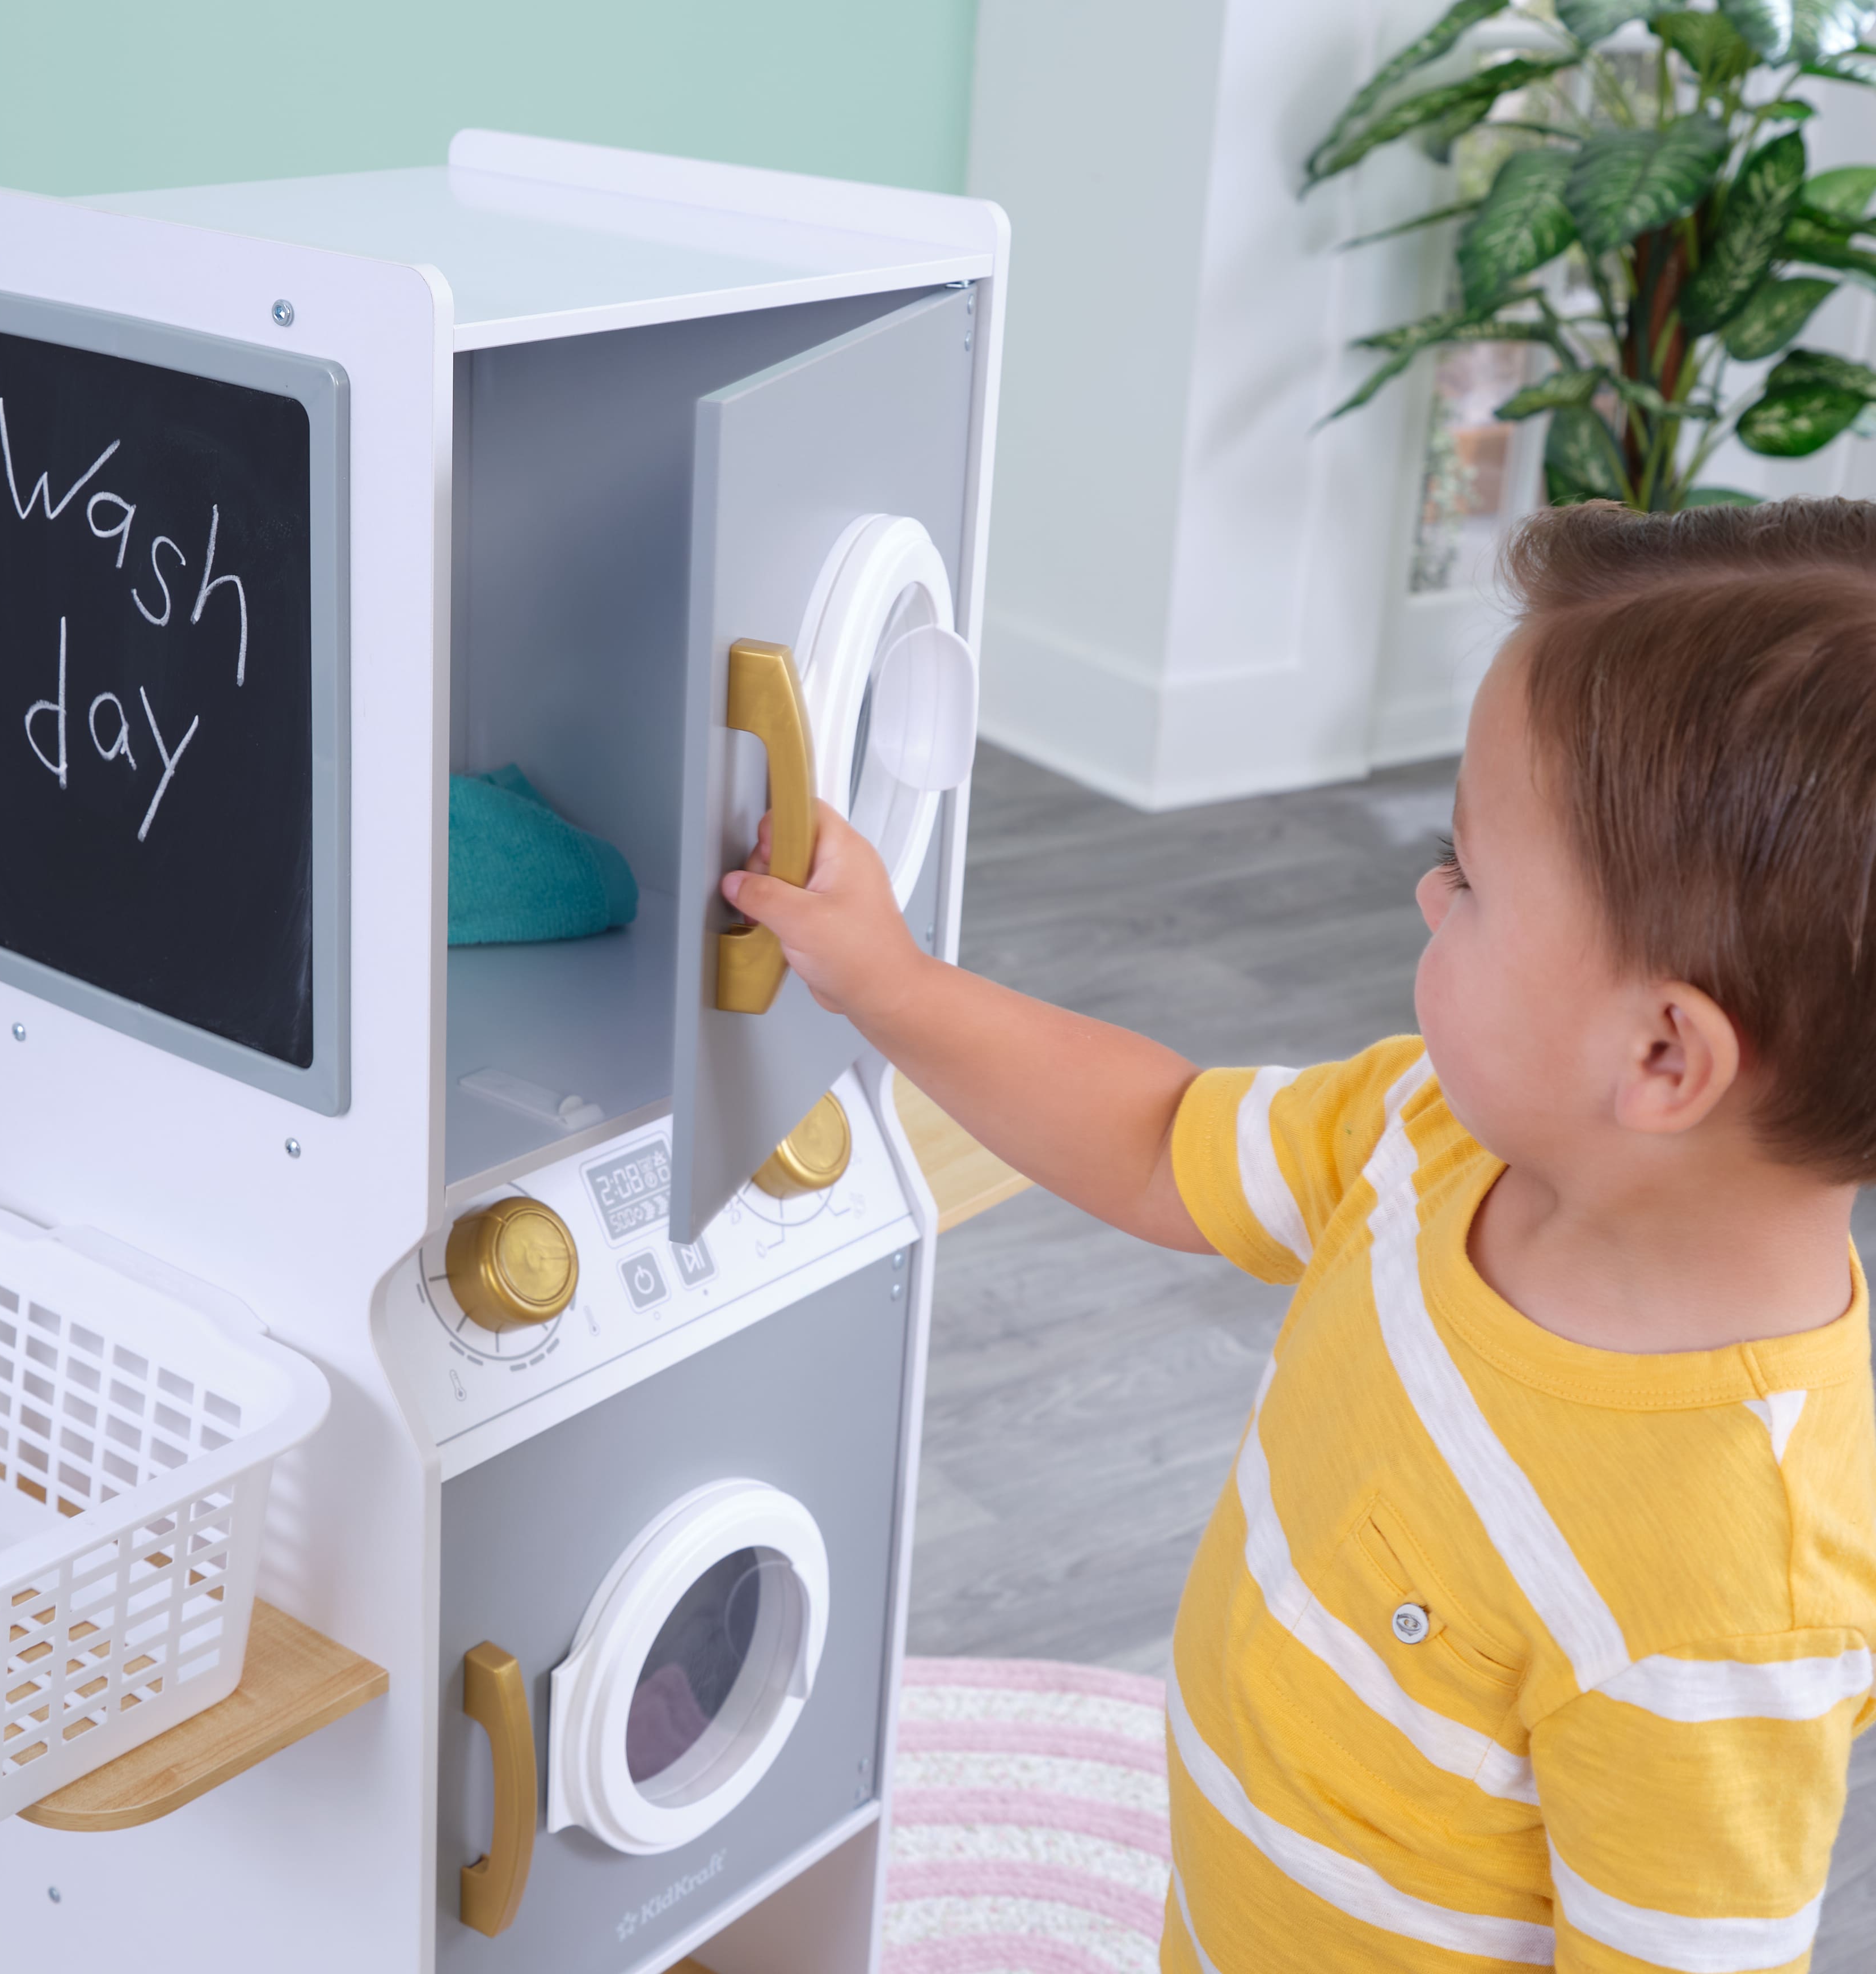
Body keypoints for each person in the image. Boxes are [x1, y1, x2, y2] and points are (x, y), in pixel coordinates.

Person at [723, 498, 1876, 1973]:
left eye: (1471, 879)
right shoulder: (1435, 1138)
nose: (1425, 890)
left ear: (1663, 1059)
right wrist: (887, 981)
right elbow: (1156, 1139)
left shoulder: (1728, 1609)